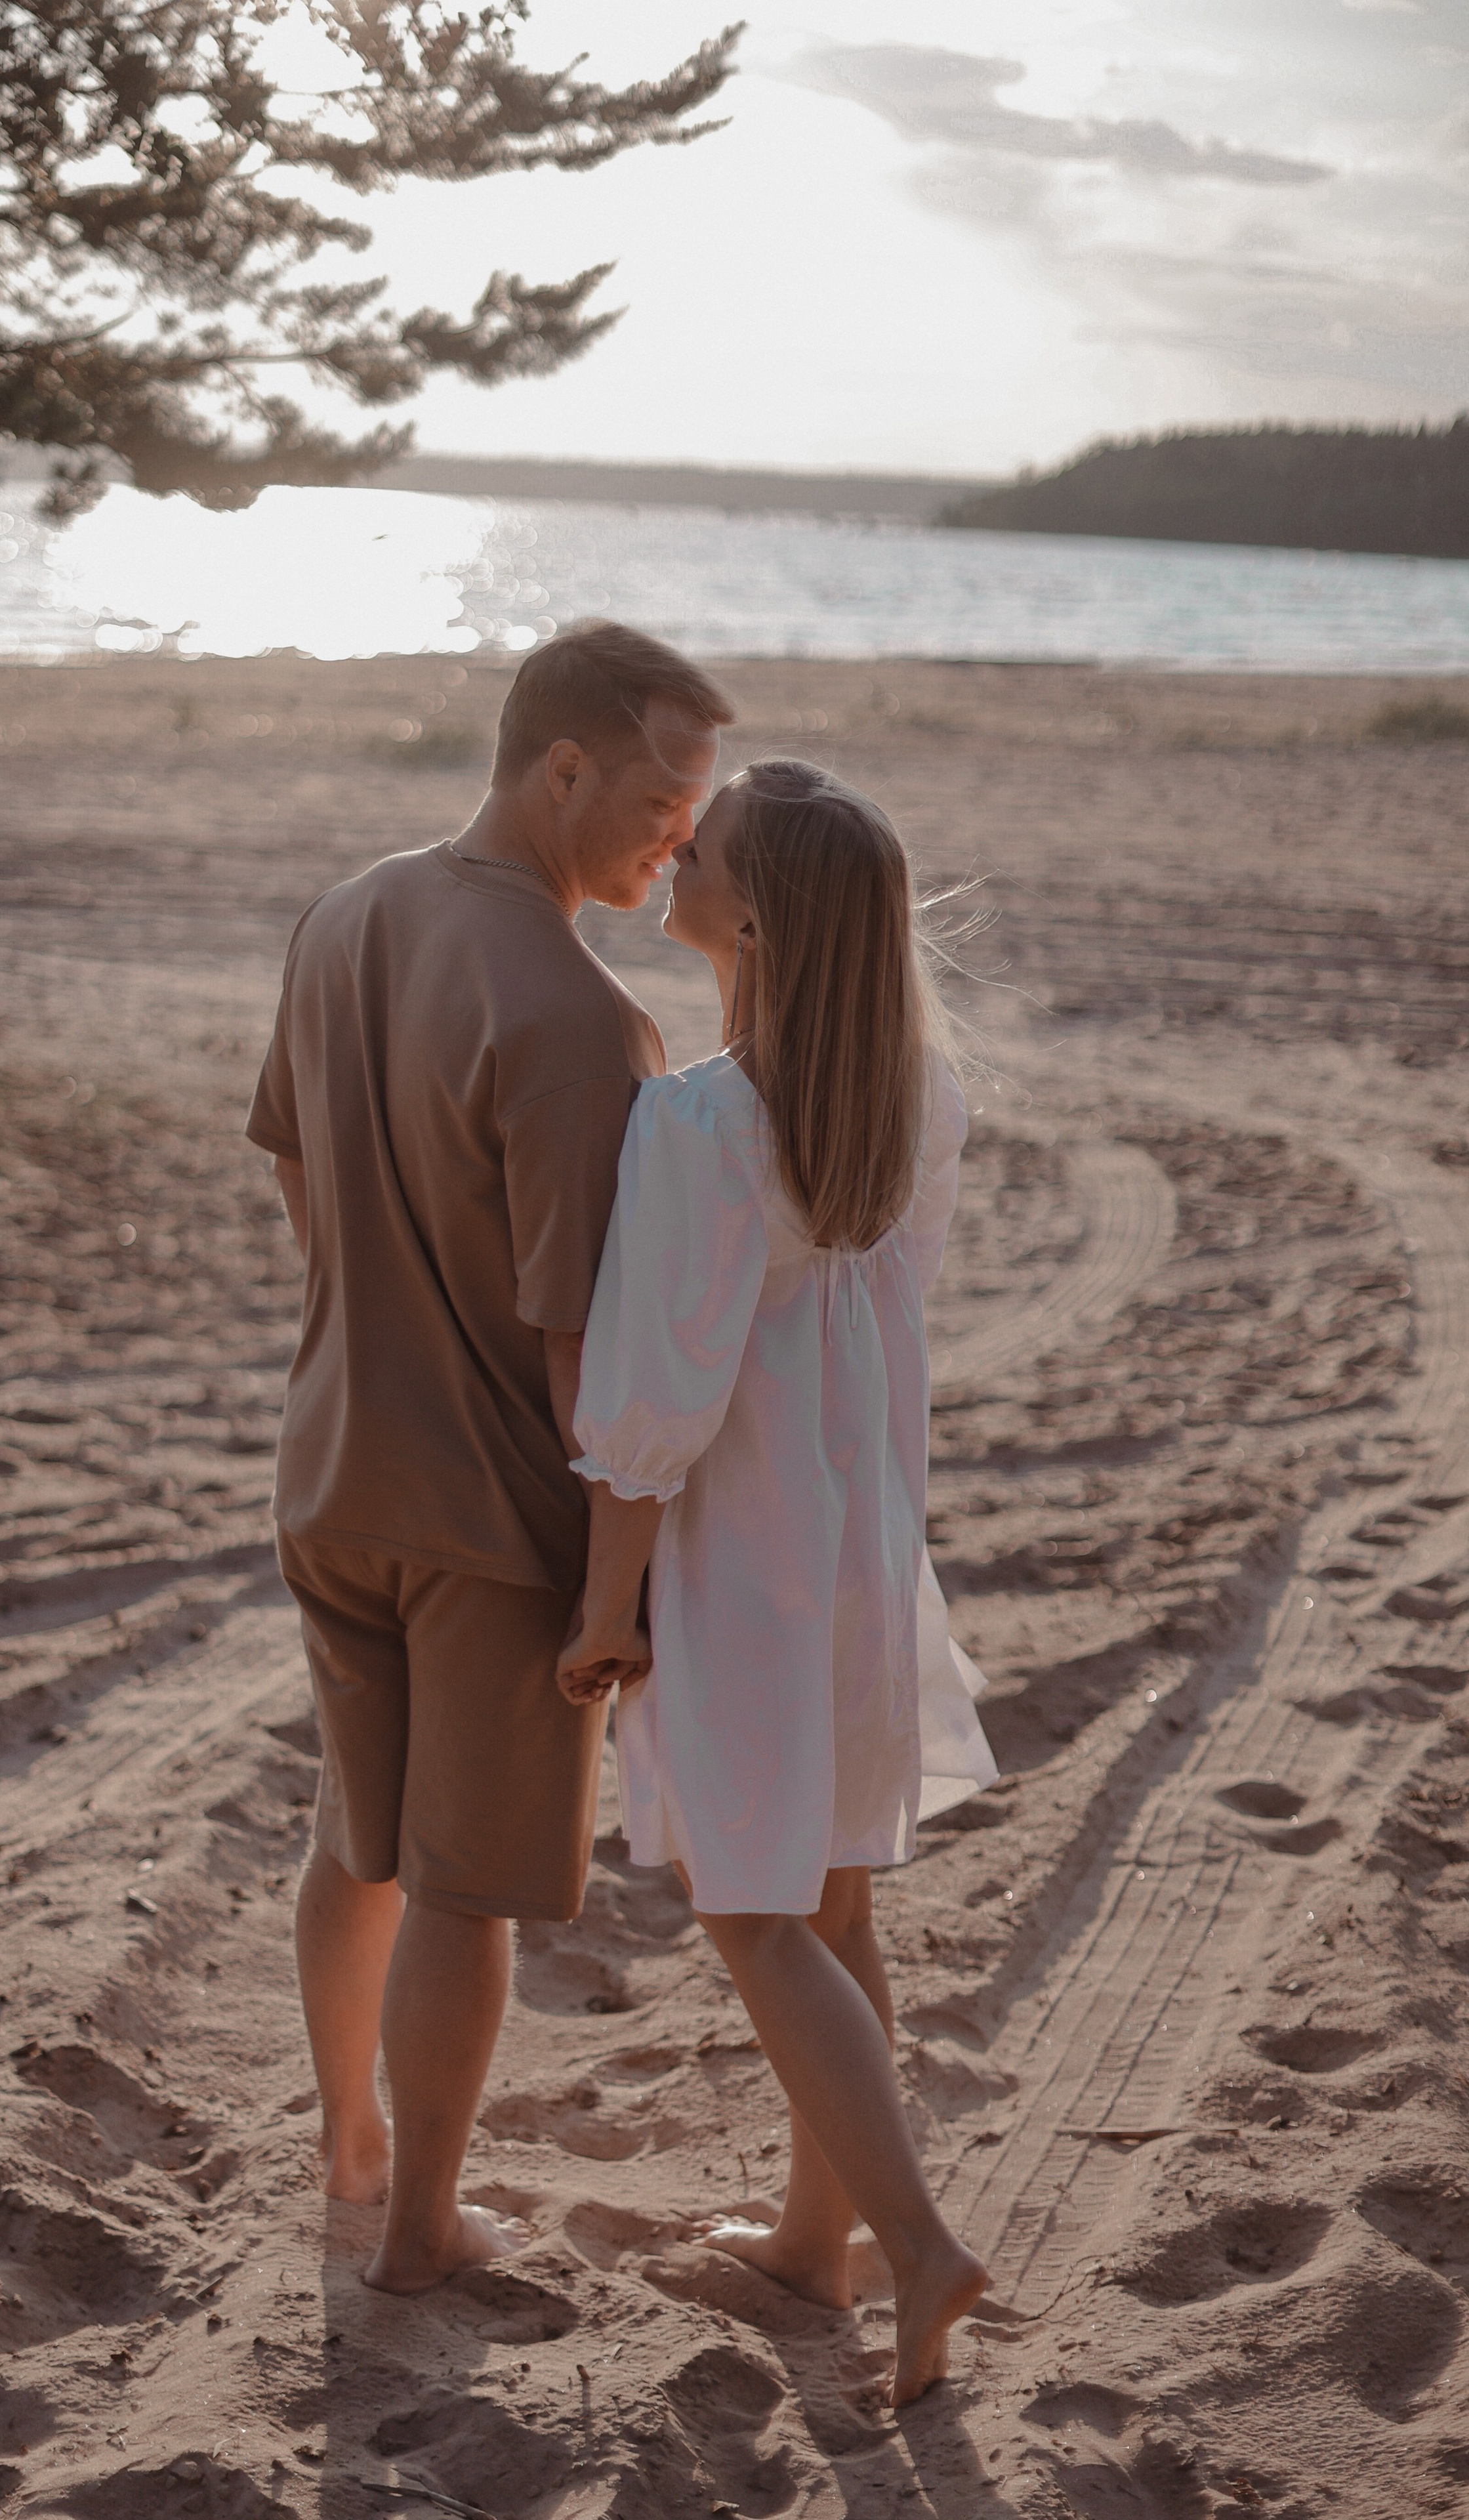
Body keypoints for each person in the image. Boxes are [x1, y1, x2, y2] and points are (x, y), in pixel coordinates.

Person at [246, 621, 735, 2292]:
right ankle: (420, 2232)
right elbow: (583, 1350)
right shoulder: (586, 1025)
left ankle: (348, 2147)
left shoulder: (342, 912)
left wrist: (370, 1322)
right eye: (665, 794)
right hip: (488, 1521)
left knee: (352, 1834)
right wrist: (614, 1587)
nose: (680, 833)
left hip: (327, 1472)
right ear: (562, 767)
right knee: (461, 1884)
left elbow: (297, 1175)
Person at [556, 758, 996, 2403]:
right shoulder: (907, 1096)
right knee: (827, 1894)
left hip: (747, 1550)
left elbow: (650, 1406)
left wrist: (609, 1604)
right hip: (860, 1533)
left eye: (704, 841)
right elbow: (881, 1309)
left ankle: (915, 2239)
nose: (675, 847)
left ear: (748, 913)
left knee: (751, 1908)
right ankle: (817, 2248)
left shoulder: (699, 1121)